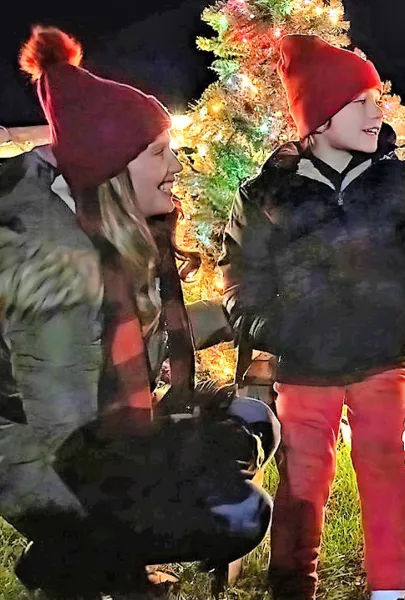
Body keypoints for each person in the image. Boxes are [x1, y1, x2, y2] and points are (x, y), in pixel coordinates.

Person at [0, 26, 279, 598]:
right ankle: (74, 560)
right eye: (158, 154)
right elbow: (72, 441)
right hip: (28, 446)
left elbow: (127, 343)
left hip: (83, 431)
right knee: (237, 512)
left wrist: (236, 313)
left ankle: (80, 552)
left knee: (253, 421)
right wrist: (182, 458)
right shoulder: (57, 264)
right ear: (112, 170)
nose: (176, 167)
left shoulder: (105, 226)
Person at [219, 34, 405, 599]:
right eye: (360, 101)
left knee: (382, 459)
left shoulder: (404, 184)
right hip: (305, 361)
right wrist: (280, 332)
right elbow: (241, 278)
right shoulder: (267, 195)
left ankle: (389, 589)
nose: (377, 111)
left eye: (378, 100)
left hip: (382, 356)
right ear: (320, 118)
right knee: (303, 471)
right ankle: (294, 585)